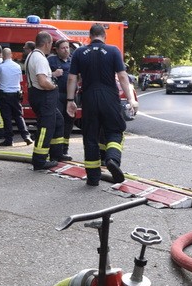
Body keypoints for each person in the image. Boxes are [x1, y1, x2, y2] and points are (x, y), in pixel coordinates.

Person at [66, 24, 137, 186]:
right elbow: (123, 76)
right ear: (104, 36)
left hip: (89, 98)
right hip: (110, 98)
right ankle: (112, 159)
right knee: (115, 130)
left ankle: (93, 178)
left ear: (90, 36)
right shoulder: (113, 51)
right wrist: (131, 99)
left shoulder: (78, 52)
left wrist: (70, 101)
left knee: (90, 136)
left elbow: (72, 78)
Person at [24, 32, 66, 170]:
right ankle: (39, 160)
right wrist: (53, 85)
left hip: (38, 96)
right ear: (47, 43)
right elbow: (42, 81)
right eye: (51, 44)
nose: (51, 47)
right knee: (45, 129)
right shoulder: (40, 59)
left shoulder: (32, 55)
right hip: (44, 97)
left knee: (58, 121)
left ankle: (56, 154)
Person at [0, 47, 32, 147]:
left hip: (4, 95)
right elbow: (20, 79)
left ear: (3, 56)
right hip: (16, 94)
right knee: (18, 116)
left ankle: (9, 140)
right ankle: (26, 136)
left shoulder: (0, 67)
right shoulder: (17, 66)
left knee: (7, 118)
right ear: (11, 55)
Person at [48, 39, 75, 159]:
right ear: (57, 50)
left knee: (69, 123)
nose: (66, 50)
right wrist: (54, 74)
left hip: (70, 96)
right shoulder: (51, 60)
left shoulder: (73, 60)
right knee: (57, 122)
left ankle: (64, 150)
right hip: (57, 95)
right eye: (63, 48)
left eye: (67, 47)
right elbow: (42, 75)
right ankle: (55, 151)